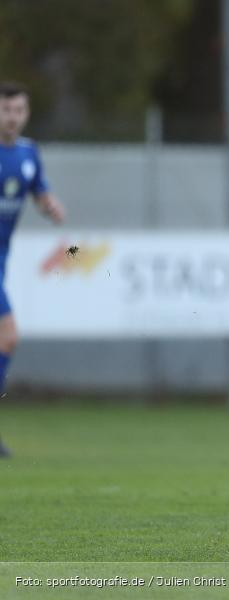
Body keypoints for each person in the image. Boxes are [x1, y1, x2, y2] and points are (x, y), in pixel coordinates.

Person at [0, 82, 65, 458]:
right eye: (6, 110)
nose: (12, 117)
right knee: (7, 336)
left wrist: (50, 206)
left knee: (5, 339)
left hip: (2, 259)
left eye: (18, 110)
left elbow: (40, 191)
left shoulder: (28, 153)